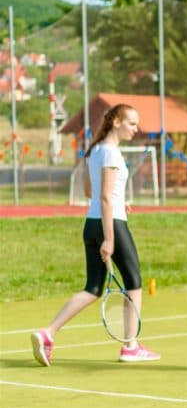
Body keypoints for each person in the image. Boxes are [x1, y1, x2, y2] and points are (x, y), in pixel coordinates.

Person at [31, 104, 160, 366]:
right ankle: (130, 347)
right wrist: (110, 238)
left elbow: (92, 192)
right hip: (109, 224)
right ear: (116, 122)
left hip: (90, 224)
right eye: (131, 123)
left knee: (92, 288)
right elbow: (102, 196)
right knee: (134, 283)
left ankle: (48, 333)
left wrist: (117, 201)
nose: (136, 129)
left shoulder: (95, 151)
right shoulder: (111, 153)